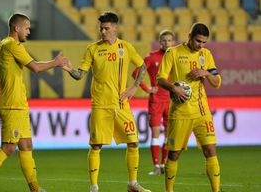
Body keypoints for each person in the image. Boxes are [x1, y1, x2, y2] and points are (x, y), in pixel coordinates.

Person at [0, 13, 68, 192]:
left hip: (17, 105)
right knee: (8, 148)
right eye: (27, 28)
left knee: (27, 145)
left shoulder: (2, 47)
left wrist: (0, 101)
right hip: (13, 105)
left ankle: (35, 188)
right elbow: (35, 68)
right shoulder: (12, 45)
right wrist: (56, 62)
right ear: (17, 28)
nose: (29, 31)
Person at [62, 12, 151, 192]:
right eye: (101, 28)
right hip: (100, 105)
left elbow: (142, 66)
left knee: (133, 142)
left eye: (106, 28)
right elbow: (80, 75)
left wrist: (134, 87)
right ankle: (94, 187)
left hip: (121, 104)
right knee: (96, 146)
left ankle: (132, 184)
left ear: (115, 28)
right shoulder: (92, 49)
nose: (102, 31)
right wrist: (69, 69)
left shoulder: (126, 47)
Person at [157, 23, 221, 192]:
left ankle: (216, 190)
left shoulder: (206, 55)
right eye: (198, 41)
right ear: (189, 36)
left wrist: (205, 73)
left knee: (210, 150)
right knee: (174, 154)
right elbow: (160, 79)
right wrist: (173, 88)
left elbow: (217, 82)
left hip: (202, 112)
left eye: (204, 42)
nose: (201, 45)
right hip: (179, 113)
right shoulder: (173, 53)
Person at [132, 30, 175, 176]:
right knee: (156, 134)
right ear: (160, 41)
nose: (166, 43)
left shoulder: (176, 56)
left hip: (171, 101)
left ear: (173, 42)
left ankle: (164, 164)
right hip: (156, 101)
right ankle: (156, 165)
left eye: (169, 40)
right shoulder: (152, 57)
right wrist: (147, 88)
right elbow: (135, 73)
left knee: (169, 135)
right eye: (164, 40)